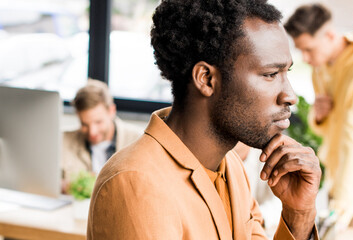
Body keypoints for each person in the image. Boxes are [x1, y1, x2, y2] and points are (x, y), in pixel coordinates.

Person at [87, 0, 321, 239]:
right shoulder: (136, 183)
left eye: (286, 72)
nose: (290, 96)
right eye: (271, 74)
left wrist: (298, 214)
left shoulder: (232, 169)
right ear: (207, 79)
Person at [284, 3, 353, 232]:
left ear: (330, 35)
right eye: (300, 50)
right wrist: (319, 117)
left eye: (309, 49)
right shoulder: (321, 67)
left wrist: (342, 207)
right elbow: (326, 129)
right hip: (339, 176)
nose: (305, 58)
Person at [62, 79, 142, 181]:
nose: (92, 132)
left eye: (98, 122)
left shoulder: (139, 141)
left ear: (111, 111)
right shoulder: (63, 141)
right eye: (84, 124)